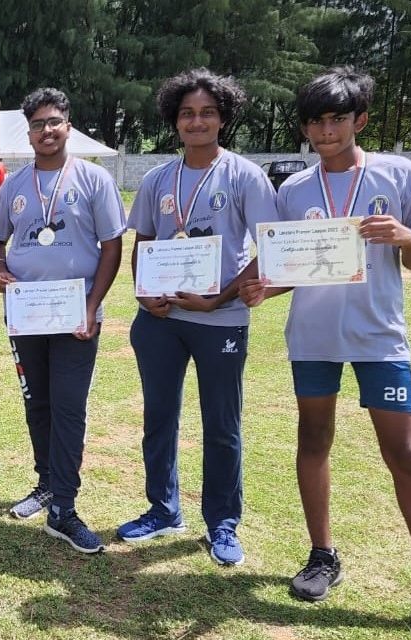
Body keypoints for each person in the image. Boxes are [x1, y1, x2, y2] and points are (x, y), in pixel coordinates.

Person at [240, 67, 411, 640]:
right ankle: (322, 555)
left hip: (380, 336)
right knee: (313, 440)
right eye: (315, 122)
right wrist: (262, 288)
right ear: (305, 128)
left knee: (406, 456)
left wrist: (406, 238)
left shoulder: (401, 174)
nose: (326, 131)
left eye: (337, 119)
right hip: (313, 338)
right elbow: (291, 270)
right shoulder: (294, 190)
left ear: (360, 120)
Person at [117, 69, 277, 567]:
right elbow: (141, 244)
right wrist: (144, 295)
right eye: (188, 113)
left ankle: (223, 523)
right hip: (161, 321)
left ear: (223, 118)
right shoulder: (157, 179)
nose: (197, 121)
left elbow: (266, 248)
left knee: (222, 425)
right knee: (158, 418)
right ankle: (163, 509)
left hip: (220, 320)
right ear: (174, 120)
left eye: (207, 112)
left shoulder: (244, 175)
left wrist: (219, 298)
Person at [0, 87, 126, 553]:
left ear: (68, 126)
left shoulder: (93, 180)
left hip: (76, 317)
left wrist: (91, 306)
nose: (46, 131)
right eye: (38, 124)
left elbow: (112, 246)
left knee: (68, 408)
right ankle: (46, 483)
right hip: (26, 317)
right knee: (38, 404)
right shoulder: (15, 185)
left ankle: (64, 507)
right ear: (28, 133)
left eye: (54, 122)